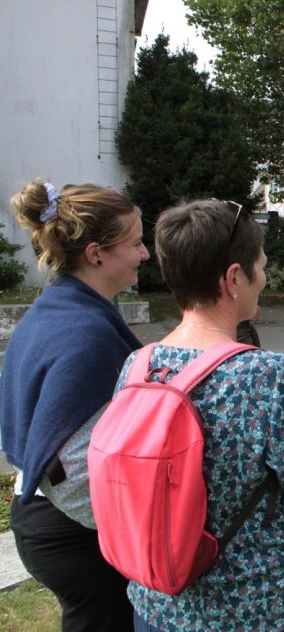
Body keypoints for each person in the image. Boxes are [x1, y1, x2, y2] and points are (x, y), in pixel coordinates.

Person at [124, 199, 284, 630]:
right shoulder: (266, 375)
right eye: (259, 267)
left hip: (161, 603)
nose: (266, 279)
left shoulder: (138, 366)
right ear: (234, 278)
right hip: (266, 605)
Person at [0, 180, 146, 631]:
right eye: (137, 243)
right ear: (97, 253)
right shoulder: (86, 333)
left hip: (45, 517)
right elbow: (68, 470)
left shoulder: (60, 309)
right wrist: (136, 531)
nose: (145, 254)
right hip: (72, 530)